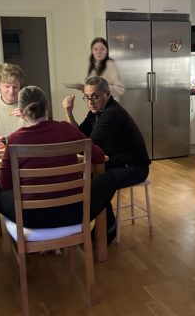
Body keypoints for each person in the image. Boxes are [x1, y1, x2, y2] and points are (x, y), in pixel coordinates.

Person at [0, 85, 107, 228]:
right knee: (106, 182)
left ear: (22, 113)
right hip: (73, 213)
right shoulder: (66, 128)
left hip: (33, 218)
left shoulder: (14, 139)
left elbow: (5, 184)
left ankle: (25, 236)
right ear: (48, 105)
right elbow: (99, 157)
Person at [62, 76, 150, 243]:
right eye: (87, 97)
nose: (90, 102)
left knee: (100, 181)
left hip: (134, 168)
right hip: (116, 162)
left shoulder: (111, 114)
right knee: (88, 178)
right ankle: (104, 226)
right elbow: (80, 134)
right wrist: (69, 113)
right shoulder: (96, 112)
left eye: (95, 97)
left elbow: (87, 146)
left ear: (107, 94)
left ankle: (92, 227)